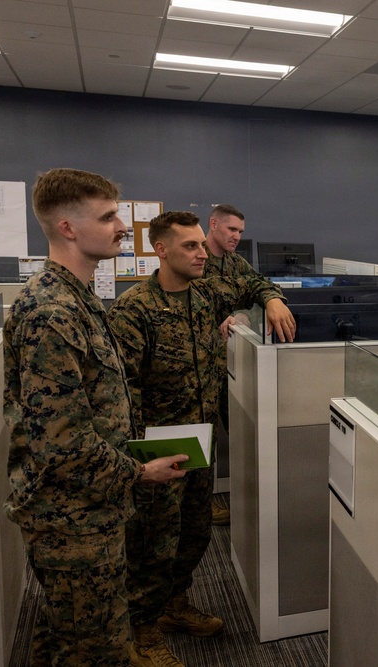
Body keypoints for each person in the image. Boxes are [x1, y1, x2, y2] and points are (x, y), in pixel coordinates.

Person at [3, 168, 187, 666]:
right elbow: (63, 445)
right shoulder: (52, 312)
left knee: (67, 637)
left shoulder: (79, 298)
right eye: (107, 218)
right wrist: (139, 472)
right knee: (97, 648)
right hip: (71, 520)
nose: (122, 227)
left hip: (92, 507)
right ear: (67, 227)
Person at [108, 210, 295, 666]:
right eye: (189, 246)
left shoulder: (207, 293)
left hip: (199, 440)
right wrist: (139, 462)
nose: (201, 254)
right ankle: (142, 632)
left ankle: (174, 607)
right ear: (161, 249)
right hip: (156, 449)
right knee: (152, 544)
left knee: (194, 534)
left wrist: (272, 299)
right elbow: (120, 392)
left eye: (200, 245)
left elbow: (253, 284)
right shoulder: (135, 309)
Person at [202, 203, 258, 527]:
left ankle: (244, 502)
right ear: (213, 224)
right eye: (231, 229)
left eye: (240, 231)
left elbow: (258, 289)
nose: (236, 236)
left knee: (238, 433)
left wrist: (242, 314)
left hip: (230, 367)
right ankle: (200, 509)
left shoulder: (236, 263)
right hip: (200, 367)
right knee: (204, 439)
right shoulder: (195, 258)